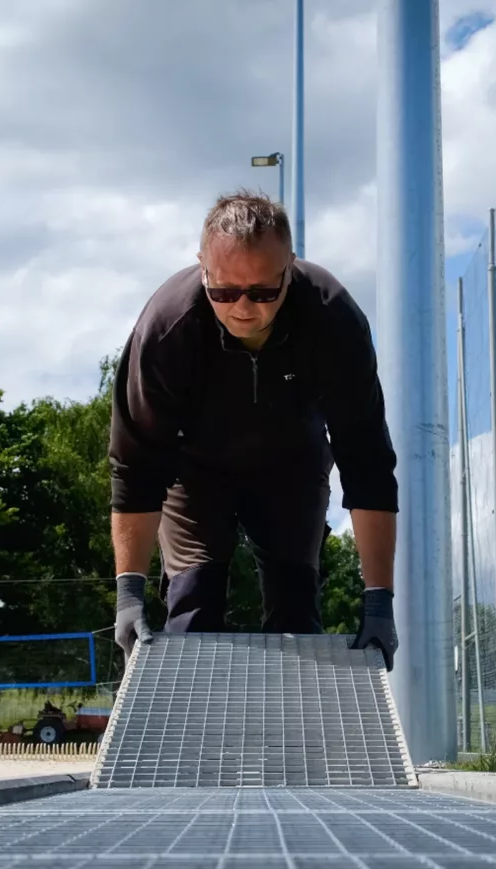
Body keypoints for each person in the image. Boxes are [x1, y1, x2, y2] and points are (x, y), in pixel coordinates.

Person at [107, 189, 400, 670]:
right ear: (202, 267)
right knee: (193, 606)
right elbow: (136, 466)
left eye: (263, 292)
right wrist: (129, 594)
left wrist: (378, 599)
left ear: (290, 267)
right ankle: (192, 738)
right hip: (193, 473)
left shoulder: (332, 318)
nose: (243, 307)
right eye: (223, 292)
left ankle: (294, 740)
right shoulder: (166, 328)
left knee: (295, 609)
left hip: (293, 468)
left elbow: (366, 460)